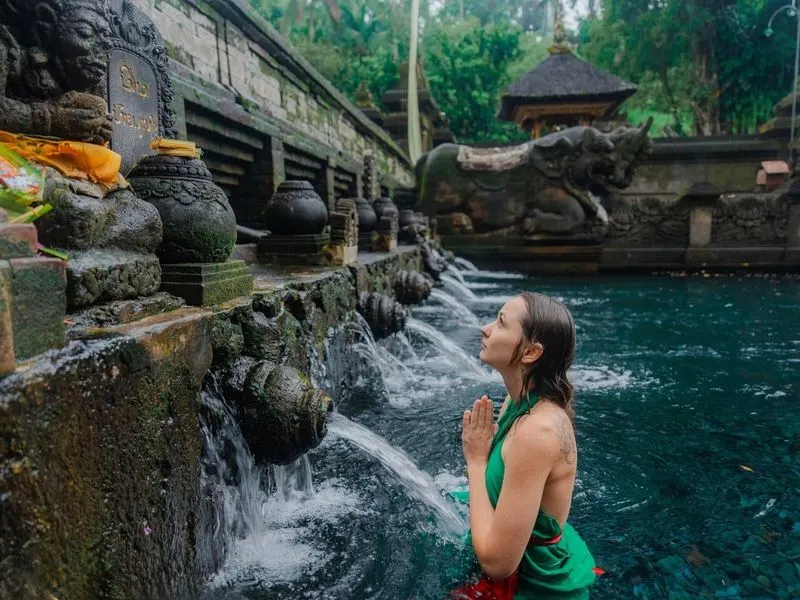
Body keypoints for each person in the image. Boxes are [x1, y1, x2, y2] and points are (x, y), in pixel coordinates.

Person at [454, 292, 596, 599]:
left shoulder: (537, 432)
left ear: (530, 352)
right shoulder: (517, 401)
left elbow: (497, 564)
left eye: (501, 323)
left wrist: (476, 461)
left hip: (535, 588)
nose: (486, 329)